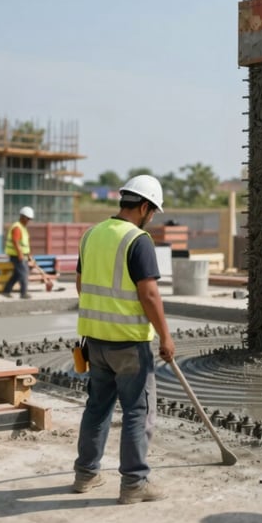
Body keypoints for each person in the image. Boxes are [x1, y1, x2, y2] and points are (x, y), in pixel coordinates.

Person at [72, 174, 176, 504]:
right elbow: (149, 294)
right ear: (144, 206)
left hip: (95, 342)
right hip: (129, 344)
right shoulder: (138, 240)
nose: (152, 218)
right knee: (137, 412)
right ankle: (134, 483)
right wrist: (165, 336)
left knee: (97, 408)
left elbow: (80, 283)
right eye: (153, 212)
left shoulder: (91, 235)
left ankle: (85, 474)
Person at [2, 206, 34, 299]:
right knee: (24, 273)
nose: (28, 221)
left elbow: (25, 244)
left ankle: (6, 290)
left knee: (17, 274)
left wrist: (28, 255)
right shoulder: (17, 227)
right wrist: (20, 254)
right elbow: (15, 241)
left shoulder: (23, 228)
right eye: (28, 219)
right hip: (15, 255)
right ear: (22, 217)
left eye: (29, 219)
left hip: (21, 255)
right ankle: (23, 293)